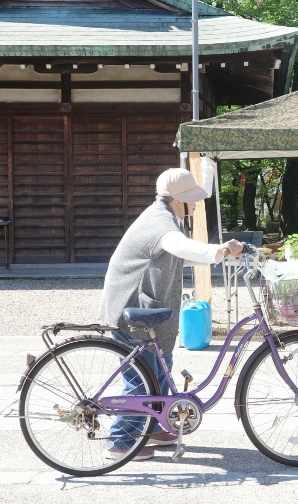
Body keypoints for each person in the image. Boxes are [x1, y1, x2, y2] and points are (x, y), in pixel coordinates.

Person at [99, 168, 245, 460]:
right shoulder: (160, 223)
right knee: (141, 379)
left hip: (143, 307)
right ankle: (119, 443)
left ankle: (154, 427)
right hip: (131, 309)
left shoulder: (167, 217)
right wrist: (219, 251)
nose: (195, 204)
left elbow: (183, 253)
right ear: (178, 199)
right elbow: (178, 246)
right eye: (192, 199)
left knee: (161, 365)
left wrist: (217, 254)